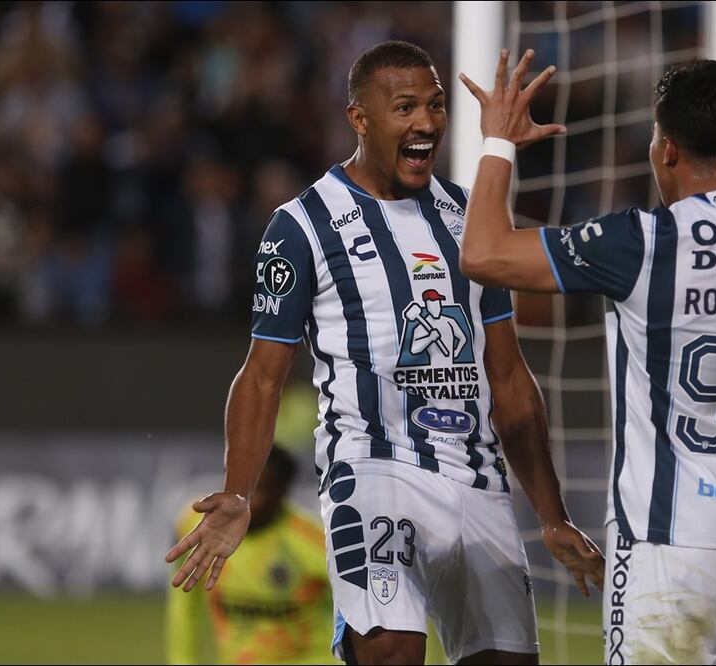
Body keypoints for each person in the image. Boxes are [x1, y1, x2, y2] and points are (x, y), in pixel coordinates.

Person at [165, 40, 604, 666]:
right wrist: (238, 491)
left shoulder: (467, 217)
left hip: (477, 480)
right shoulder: (304, 224)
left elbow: (509, 378)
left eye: (435, 105)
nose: (425, 122)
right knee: (392, 653)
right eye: (404, 108)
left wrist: (553, 515)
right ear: (360, 119)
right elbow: (262, 377)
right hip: (372, 471)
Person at [457, 50, 716, 664]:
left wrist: (498, 142)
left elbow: (483, 254)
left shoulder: (643, 242)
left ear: (666, 150)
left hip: (669, 543)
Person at [165, 445, 333, 664]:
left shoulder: (312, 542)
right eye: (237, 489)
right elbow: (184, 607)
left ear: (281, 492)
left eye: (257, 491)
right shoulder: (198, 528)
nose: (243, 501)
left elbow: (356, 610)